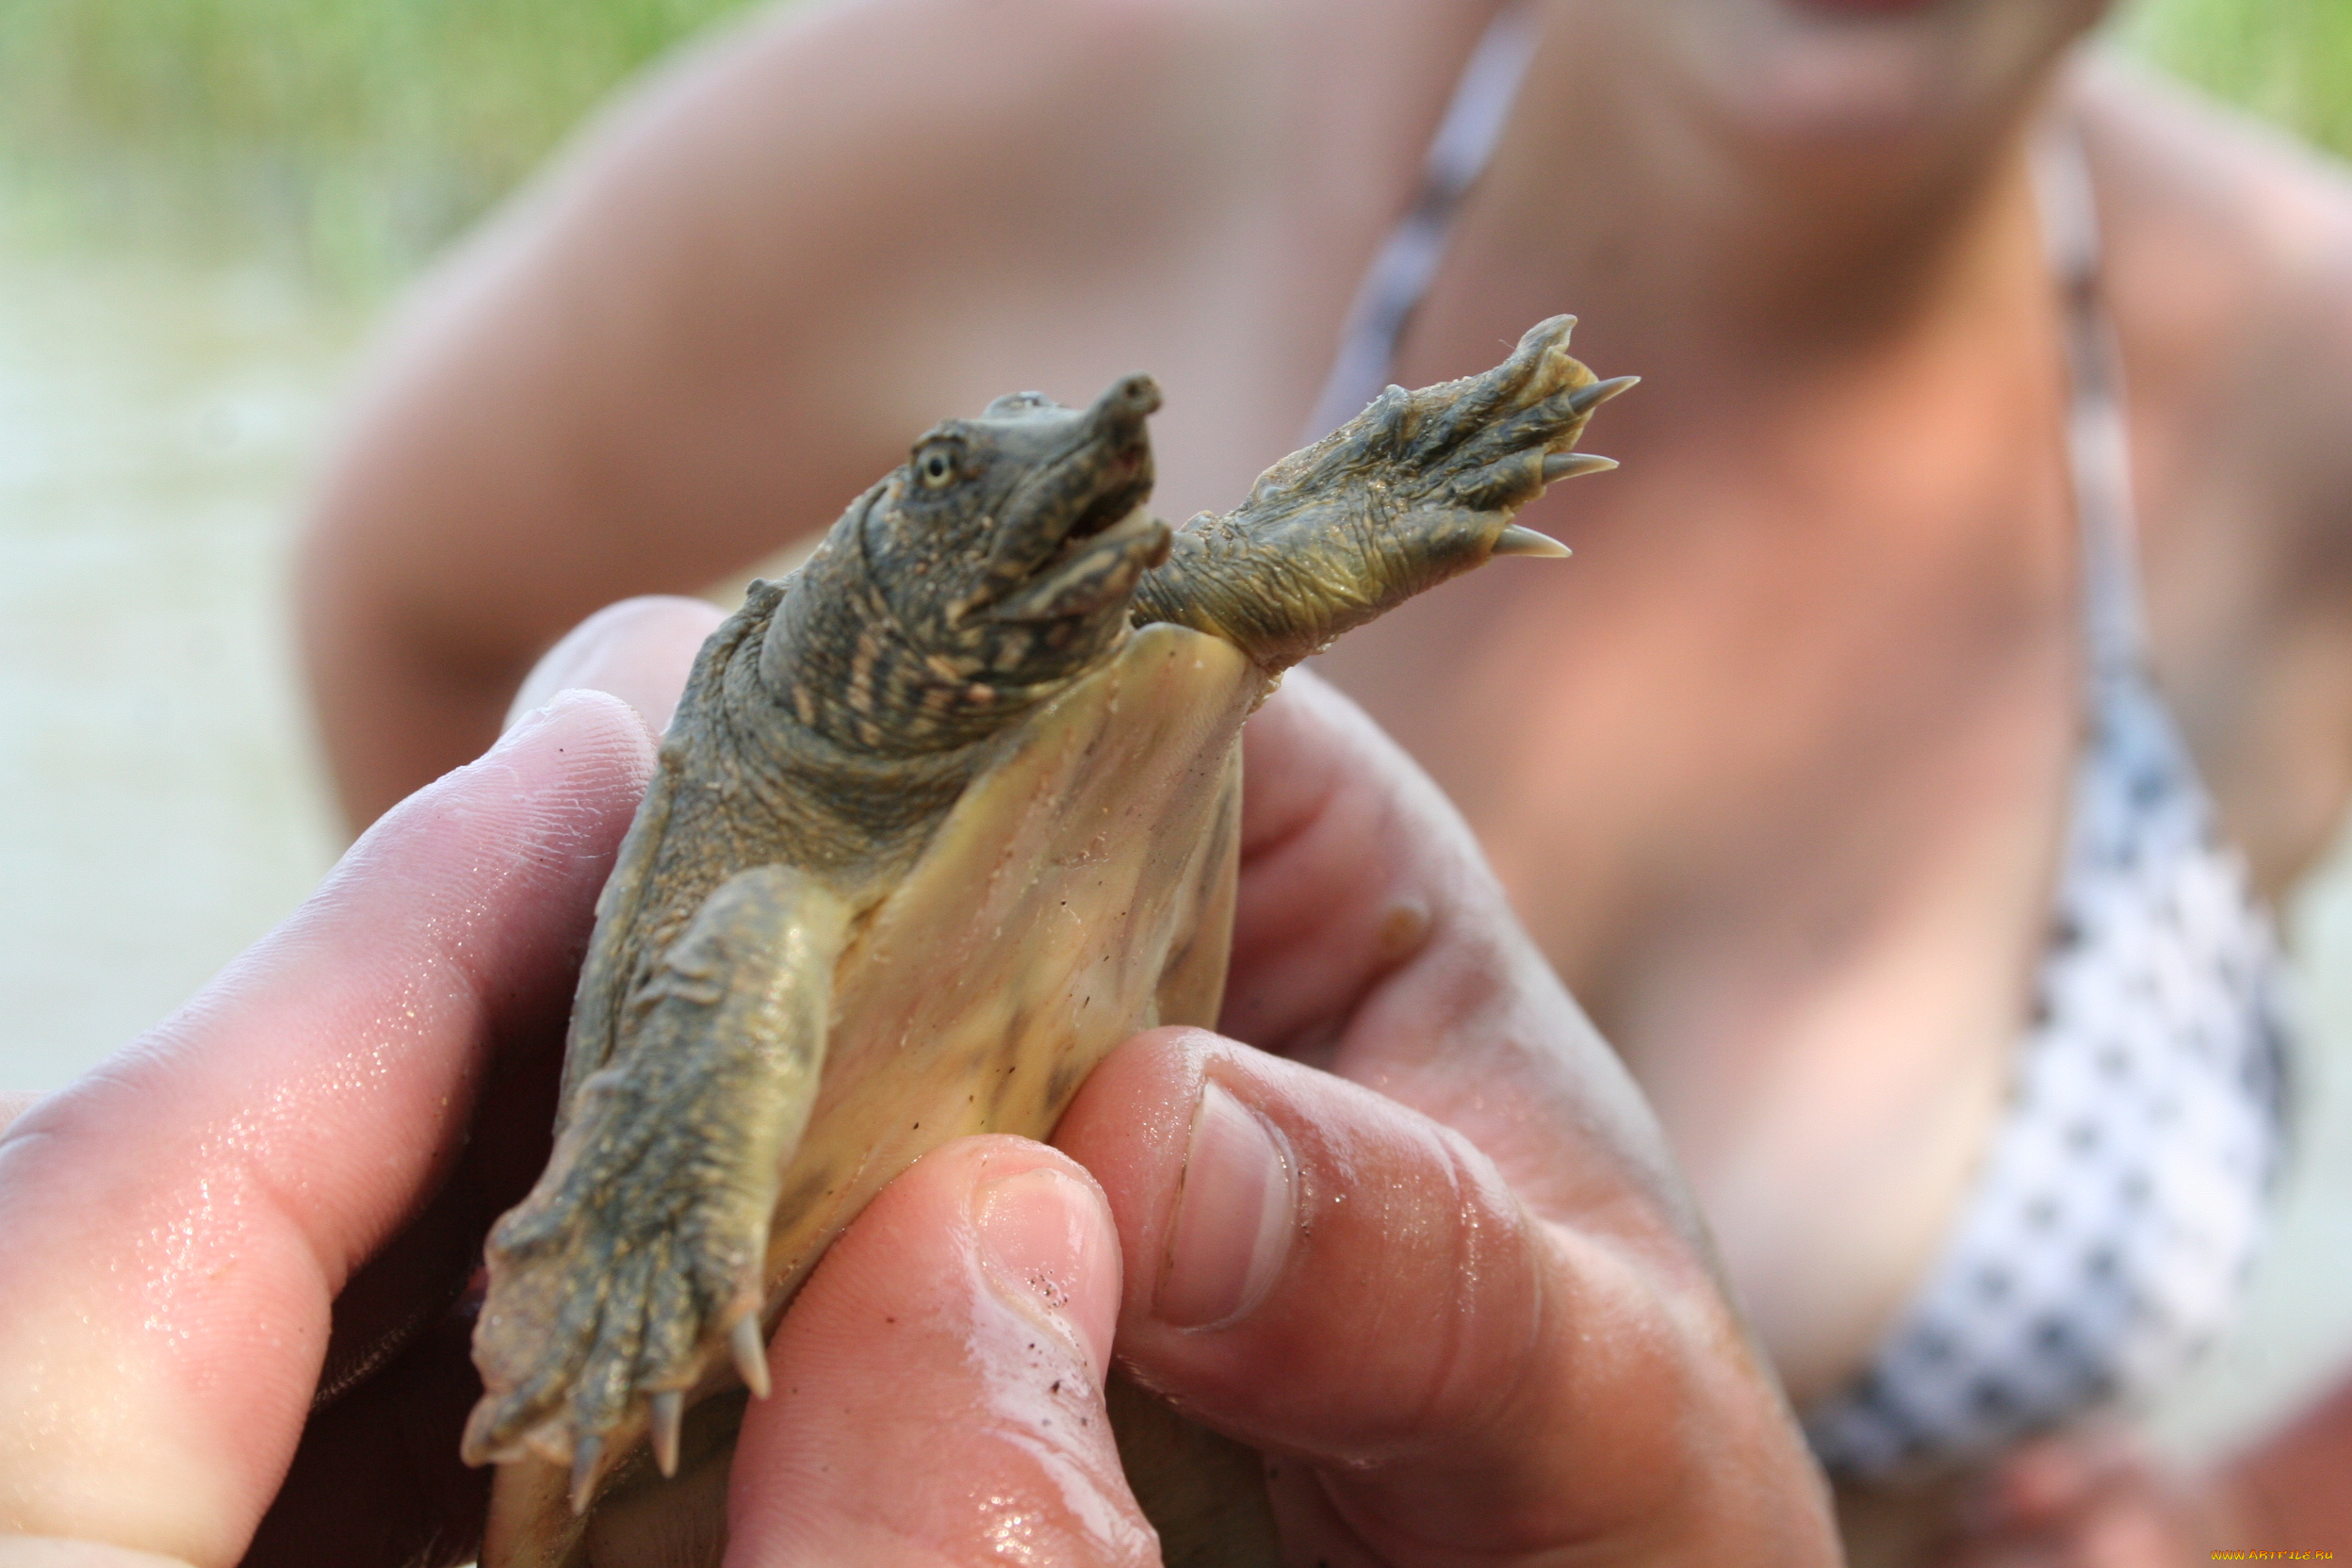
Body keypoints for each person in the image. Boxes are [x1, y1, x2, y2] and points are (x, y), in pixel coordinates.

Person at [293, 0, 2352, 1557]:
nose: (1089, 488)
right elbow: (399, 583)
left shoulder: (2296, 359)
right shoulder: (1083, 83)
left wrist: (2245, 1521)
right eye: (1008, 491)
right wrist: (519, 1119)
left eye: (1101, 488)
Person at [0, 614, 1837, 1565]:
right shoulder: (769, 902)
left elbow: (1204, 626)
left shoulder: (1144, 686)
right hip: (718, 1394)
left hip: (1142, 1372)